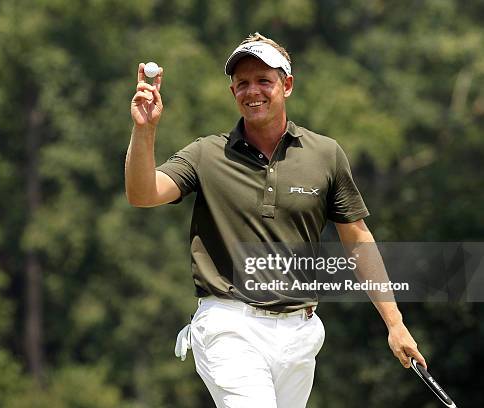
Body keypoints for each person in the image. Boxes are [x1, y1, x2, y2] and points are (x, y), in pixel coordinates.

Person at [125, 32, 427, 408]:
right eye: (242, 83)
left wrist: (394, 323)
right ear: (232, 91)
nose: (253, 91)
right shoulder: (206, 154)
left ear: (287, 85)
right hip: (228, 324)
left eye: (264, 81)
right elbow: (142, 193)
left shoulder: (325, 155)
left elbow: (358, 240)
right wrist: (145, 130)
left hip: (300, 332)